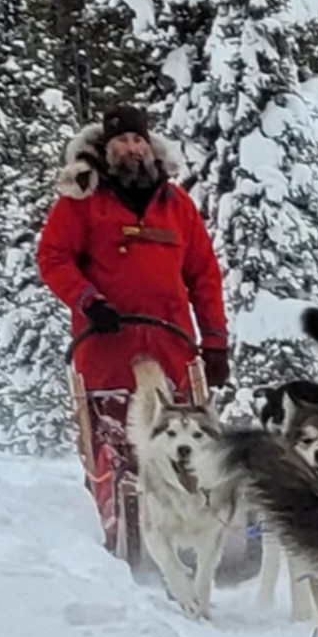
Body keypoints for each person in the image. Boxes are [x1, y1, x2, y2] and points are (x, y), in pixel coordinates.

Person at [35, 104, 231, 562]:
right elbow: (54, 258)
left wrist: (215, 341)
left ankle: (199, 530)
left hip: (170, 347)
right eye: (122, 141)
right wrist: (88, 300)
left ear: (150, 146)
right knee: (113, 442)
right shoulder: (82, 200)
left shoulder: (175, 204)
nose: (131, 149)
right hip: (107, 349)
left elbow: (204, 274)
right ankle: (117, 536)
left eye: (138, 140)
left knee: (183, 439)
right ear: (106, 148)